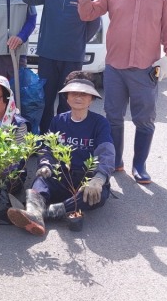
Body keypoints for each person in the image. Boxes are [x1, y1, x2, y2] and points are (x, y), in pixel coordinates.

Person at [77, 0, 167, 185]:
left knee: (144, 118)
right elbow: (87, 13)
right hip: (115, 66)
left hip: (146, 68)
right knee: (113, 116)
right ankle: (116, 160)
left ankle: (140, 165)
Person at [7, 72, 114, 235]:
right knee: (41, 180)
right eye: (74, 93)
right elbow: (48, 149)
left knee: (96, 195)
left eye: (84, 94)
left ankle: (43, 213)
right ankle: (36, 211)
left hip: (87, 177)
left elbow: (106, 152)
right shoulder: (58, 121)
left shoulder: (100, 123)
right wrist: (45, 164)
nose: (79, 97)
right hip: (62, 175)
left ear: (92, 99)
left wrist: (99, 179)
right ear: (67, 97)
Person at [21, 0, 102, 133]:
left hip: (72, 56)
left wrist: (78, 41)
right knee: (46, 99)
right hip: (48, 55)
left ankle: (63, 138)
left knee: (68, 100)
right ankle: (45, 138)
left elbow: (93, 23)